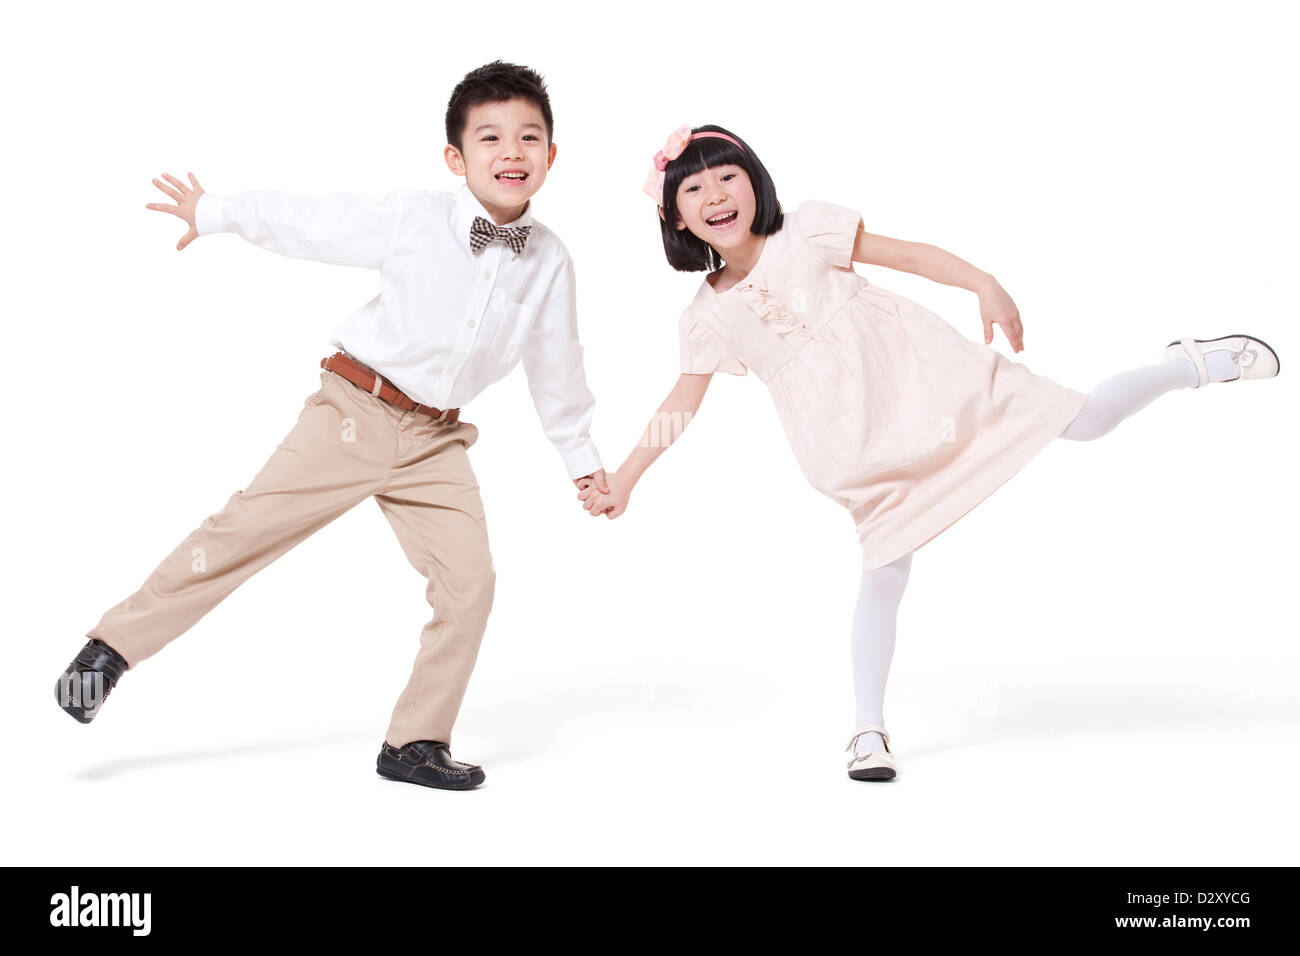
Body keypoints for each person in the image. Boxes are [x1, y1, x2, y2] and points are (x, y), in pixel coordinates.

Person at [577, 123, 1280, 782]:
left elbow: (908, 256)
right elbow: (682, 403)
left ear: (755, 182)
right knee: (883, 573)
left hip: (935, 385)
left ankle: (1191, 364)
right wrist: (628, 476)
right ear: (675, 218)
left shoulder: (808, 231)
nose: (716, 196)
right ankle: (867, 729)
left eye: (728, 176)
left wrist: (984, 282)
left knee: (1090, 420)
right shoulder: (707, 316)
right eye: (694, 190)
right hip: (857, 448)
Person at [54, 61, 610, 792]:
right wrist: (216, 210)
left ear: (551, 156)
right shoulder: (415, 217)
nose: (512, 152)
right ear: (456, 158)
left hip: (436, 441)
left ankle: (414, 742)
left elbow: (557, 364)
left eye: (529, 138)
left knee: (470, 584)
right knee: (242, 530)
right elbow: (314, 221)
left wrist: (581, 457)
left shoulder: (550, 261)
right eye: (491, 138)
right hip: (353, 412)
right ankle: (111, 649)